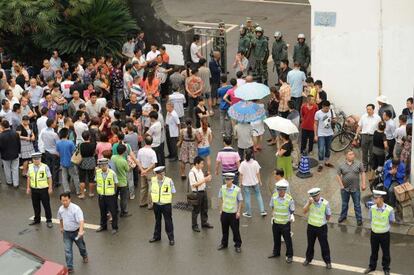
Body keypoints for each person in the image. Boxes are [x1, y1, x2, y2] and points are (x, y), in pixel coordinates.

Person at [364, 190, 395, 275]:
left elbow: (391, 221)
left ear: (381, 199)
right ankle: (372, 266)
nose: (374, 199)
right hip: (374, 234)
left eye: (376, 198)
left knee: (386, 252)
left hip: (385, 234)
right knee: (374, 251)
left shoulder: (389, 209)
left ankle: (386, 268)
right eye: (374, 197)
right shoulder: (372, 208)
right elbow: (371, 219)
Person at [58, 192, 88, 273]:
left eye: (66, 200)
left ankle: (84, 255)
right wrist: (61, 227)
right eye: (63, 201)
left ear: (70, 199)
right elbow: (60, 219)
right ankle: (70, 267)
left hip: (76, 232)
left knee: (81, 247)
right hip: (66, 233)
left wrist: (80, 231)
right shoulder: (61, 209)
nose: (64, 202)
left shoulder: (76, 209)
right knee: (67, 251)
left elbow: (81, 221)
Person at [303, 188, 332, 269]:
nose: (315, 198)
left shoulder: (325, 203)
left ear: (319, 194)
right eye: (313, 196)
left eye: (316, 196)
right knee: (310, 244)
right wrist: (308, 203)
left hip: (321, 227)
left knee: (324, 245)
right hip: (311, 227)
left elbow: (328, 215)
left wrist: (323, 221)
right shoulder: (310, 202)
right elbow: (304, 211)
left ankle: (328, 262)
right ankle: (308, 259)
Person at [336, 150, 366, 226]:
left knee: (357, 205)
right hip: (345, 189)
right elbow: (338, 175)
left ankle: (359, 219)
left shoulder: (359, 164)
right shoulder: (341, 165)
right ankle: (343, 216)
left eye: (353, 154)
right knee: (344, 204)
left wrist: (363, 184)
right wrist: (341, 186)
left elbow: (363, 173)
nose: (352, 155)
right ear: (346, 156)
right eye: (350, 154)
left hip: (355, 188)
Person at [268, 181, 294, 263]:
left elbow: (292, 210)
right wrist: (273, 215)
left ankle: (289, 255)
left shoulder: (289, 199)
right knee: (276, 239)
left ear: (285, 190)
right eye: (279, 190)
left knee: (287, 240)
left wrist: (291, 216)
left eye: (282, 190)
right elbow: (272, 206)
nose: (280, 192)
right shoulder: (274, 196)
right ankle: (276, 253)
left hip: (285, 223)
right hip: (276, 222)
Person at [149, 166, 176, 246]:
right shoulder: (153, 180)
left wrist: (168, 200)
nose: (162, 175)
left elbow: (173, 191)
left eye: (162, 173)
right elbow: (151, 191)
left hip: (166, 205)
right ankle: (157, 236)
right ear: (156, 174)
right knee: (157, 221)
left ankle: (171, 238)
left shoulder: (169, 181)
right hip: (156, 204)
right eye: (160, 174)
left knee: (168, 221)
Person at [217, 172, 243, 253]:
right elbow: (220, 199)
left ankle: (238, 245)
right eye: (226, 179)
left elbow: (240, 201)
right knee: (224, 230)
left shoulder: (237, 189)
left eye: (229, 179)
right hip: (224, 213)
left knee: (235, 230)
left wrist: (238, 212)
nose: (227, 181)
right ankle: (224, 244)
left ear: (232, 180)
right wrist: (220, 210)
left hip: (233, 213)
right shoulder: (222, 188)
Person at [27, 152, 53, 228]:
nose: (36, 161)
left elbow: (49, 177)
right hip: (34, 189)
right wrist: (28, 187)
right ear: (32, 159)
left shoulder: (45, 167)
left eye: (37, 159)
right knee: (35, 205)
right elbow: (29, 177)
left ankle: (49, 220)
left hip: (43, 190)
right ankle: (37, 219)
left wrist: (50, 188)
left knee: (46, 205)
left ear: (40, 159)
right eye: (34, 159)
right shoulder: (30, 166)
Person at [239, 148, 266, 217]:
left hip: (246, 183)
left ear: (245, 155)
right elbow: (258, 173)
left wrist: (240, 183)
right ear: (252, 155)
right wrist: (260, 181)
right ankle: (262, 211)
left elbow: (241, 175)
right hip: (255, 182)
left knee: (247, 197)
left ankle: (249, 213)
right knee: (258, 195)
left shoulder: (243, 164)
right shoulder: (255, 163)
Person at [189, 156, 214, 232]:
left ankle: (204, 222)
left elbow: (201, 179)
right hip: (197, 193)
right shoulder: (192, 172)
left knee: (204, 208)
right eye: (202, 163)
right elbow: (194, 185)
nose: (203, 165)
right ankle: (194, 225)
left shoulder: (200, 170)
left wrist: (206, 176)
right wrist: (205, 180)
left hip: (203, 191)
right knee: (196, 210)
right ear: (196, 164)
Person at [95, 158, 119, 235]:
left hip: (110, 196)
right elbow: (97, 181)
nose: (103, 167)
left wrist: (114, 193)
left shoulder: (112, 173)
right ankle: (103, 226)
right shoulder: (98, 172)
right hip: (101, 195)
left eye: (104, 165)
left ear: (107, 165)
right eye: (101, 165)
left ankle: (114, 227)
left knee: (113, 212)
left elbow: (116, 183)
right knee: (102, 211)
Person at [356, 104, 382, 171]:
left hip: (373, 136)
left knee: (372, 152)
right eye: (367, 109)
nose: (368, 111)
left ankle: (371, 165)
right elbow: (359, 126)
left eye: (370, 109)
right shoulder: (364, 116)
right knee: (364, 152)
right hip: (364, 136)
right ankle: (365, 166)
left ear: (373, 109)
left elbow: (380, 128)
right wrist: (356, 135)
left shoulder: (378, 118)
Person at [57, 128, 80, 195]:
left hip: (62, 162)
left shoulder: (58, 143)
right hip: (71, 162)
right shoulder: (70, 142)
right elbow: (74, 152)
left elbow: (58, 152)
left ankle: (66, 190)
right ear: (67, 135)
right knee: (75, 176)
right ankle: (78, 190)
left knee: (64, 177)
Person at [314, 100, 335, 172]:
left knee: (328, 149)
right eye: (326, 108)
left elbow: (335, 120)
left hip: (329, 133)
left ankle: (327, 162)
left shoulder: (331, 111)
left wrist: (333, 120)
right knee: (321, 149)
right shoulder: (318, 113)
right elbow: (315, 124)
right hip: (321, 134)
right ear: (322, 107)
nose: (327, 109)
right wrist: (315, 135)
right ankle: (320, 164)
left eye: (328, 108)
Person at [136, 136, 157, 209]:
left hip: (142, 170)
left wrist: (142, 170)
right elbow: (153, 164)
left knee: (143, 187)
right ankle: (150, 204)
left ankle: (142, 202)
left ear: (145, 141)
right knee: (151, 188)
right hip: (150, 171)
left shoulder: (140, 150)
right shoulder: (152, 152)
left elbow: (138, 161)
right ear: (152, 142)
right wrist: (146, 170)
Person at [111, 144, 131, 218]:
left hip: (114, 182)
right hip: (122, 182)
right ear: (124, 151)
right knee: (123, 199)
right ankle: (124, 212)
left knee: (114, 197)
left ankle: (115, 210)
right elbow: (127, 170)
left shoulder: (113, 157)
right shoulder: (123, 161)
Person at [0, 120, 21, 187]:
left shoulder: (1, 136)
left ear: (2, 126)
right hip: (15, 154)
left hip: (5, 155)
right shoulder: (15, 133)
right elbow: (19, 144)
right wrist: (19, 152)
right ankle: (16, 183)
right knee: (15, 169)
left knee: (7, 169)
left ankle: (9, 181)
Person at [78, 131, 97, 199]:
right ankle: (91, 193)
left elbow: (79, 153)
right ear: (89, 137)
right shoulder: (93, 144)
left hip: (82, 161)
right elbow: (95, 153)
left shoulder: (80, 145)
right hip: (91, 161)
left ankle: (82, 194)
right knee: (91, 178)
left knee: (82, 179)